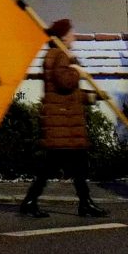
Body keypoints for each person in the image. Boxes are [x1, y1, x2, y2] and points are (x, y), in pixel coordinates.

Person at [21, 18, 99, 220]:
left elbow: (66, 93)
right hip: (63, 125)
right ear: (63, 36)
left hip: (63, 124)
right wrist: (77, 71)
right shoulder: (60, 55)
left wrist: (90, 97)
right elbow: (65, 82)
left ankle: (84, 203)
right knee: (65, 167)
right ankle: (83, 204)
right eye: (71, 33)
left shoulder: (55, 55)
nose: (74, 36)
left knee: (67, 167)